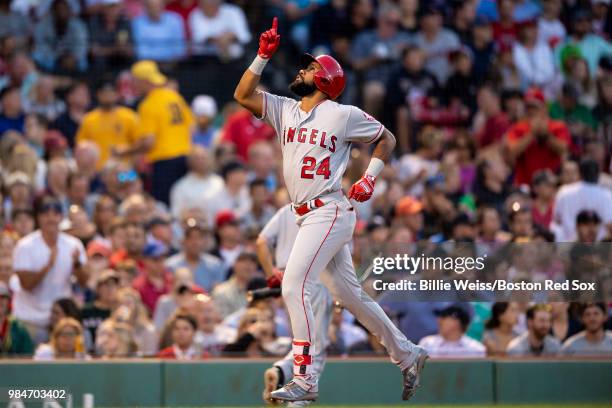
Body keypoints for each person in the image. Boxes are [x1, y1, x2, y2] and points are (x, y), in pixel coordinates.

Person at [233, 18, 427, 403]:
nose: (302, 69)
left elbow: (386, 138)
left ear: (324, 80)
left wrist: (371, 176)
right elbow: (242, 95)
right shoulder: (285, 109)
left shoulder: (342, 113)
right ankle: (407, 353)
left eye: (311, 67)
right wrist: (260, 57)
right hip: (308, 212)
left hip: (330, 208)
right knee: (350, 296)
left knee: (294, 284)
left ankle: (304, 376)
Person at [256, 203, 333, 405]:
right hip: (315, 278)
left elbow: (261, 242)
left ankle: (282, 370)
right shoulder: (331, 207)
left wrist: (270, 273)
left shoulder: (288, 209)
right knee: (315, 348)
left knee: (302, 339)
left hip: (288, 279)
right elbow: (339, 258)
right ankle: (297, 402)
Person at [114, 60, 193, 205]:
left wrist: (125, 151)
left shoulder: (148, 104)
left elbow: (148, 142)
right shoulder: (175, 97)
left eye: (135, 81)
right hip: (185, 159)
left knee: (164, 205)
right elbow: (190, 126)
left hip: (164, 163)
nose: (134, 85)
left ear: (144, 81)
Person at [12, 195, 88, 344]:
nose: (51, 219)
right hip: (30, 320)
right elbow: (27, 285)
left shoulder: (74, 244)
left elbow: (84, 282)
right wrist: (47, 266)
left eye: (55, 214)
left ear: (61, 217)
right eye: (45, 214)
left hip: (60, 321)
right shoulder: (25, 246)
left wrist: (77, 265)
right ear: (38, 218)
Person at [504, 87, 571, 186]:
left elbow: (563, 148)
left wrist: (546, 135)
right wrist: (531, 134)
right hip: (525, 184)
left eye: (535, 107)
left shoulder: (557, 126)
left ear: (544, 108)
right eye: (528, 107)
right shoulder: (518, 128)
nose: (531, 111)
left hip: (551, 183)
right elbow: (512, 151)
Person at [76, 80, 139, 170]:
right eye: (104, 93)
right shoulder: (89, 119)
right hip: (97, 171)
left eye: (111, 92)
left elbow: (139, 146)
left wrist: (132, 165)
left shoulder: (129, 116)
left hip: (124, 169)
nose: (107, 96)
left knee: (133, 182)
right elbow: (81, 146)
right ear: (98, 95)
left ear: (117, 94)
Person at [552, 159, 612, 242]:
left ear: (579, 173)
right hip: (595, 248)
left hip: (567, 246)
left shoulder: (564, 192)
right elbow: (610, 225)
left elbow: (557, 220)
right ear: (598, 174)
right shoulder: (606, 195)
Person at [165, 222, 225, 293]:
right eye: (190, 237)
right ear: (183, 241)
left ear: (204, 241)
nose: (195, 242)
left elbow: (218, 293)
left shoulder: (216, 265)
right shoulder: (170, 265)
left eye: (199, 237)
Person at [169, 146, 224, 219]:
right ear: (190, 162)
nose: (201, 161)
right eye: (197, 158)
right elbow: (176, 213)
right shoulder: (180, 187)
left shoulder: (219, 182)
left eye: (204, 157)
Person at [419, 306, 486, 358]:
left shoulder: (476, 349)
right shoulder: (427, 344)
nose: (439, 321)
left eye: (444, 317)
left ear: (457, 322)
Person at [211, 252, 258, 318]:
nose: (248, 265)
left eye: (252, 262)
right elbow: (221, 319)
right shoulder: (221, 291)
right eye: (243, 261)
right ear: (234, 264)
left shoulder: (259, 290)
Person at [81, 270, 119, 352]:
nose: (110, 289)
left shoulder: (119, 313)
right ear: (98, 288)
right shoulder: (85, 311)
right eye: (106, 285)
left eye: (114, 285)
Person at [0, 282, 34, 356]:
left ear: (9, 301)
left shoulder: (18, 327)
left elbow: (27, 354)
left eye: (3, 297)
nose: (1, 301)